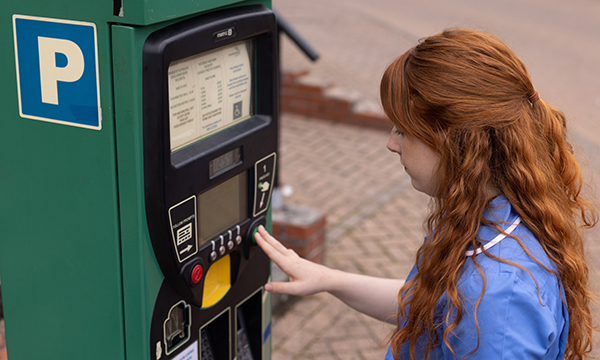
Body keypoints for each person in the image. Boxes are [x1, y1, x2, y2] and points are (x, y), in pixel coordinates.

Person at [255, 28, 598, 359]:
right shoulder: (490, 214)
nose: (391, 144)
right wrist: (328, 280)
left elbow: (471, 305)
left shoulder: (499, 299)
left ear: (458, 141)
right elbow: (431, 306)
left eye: (403, 130)